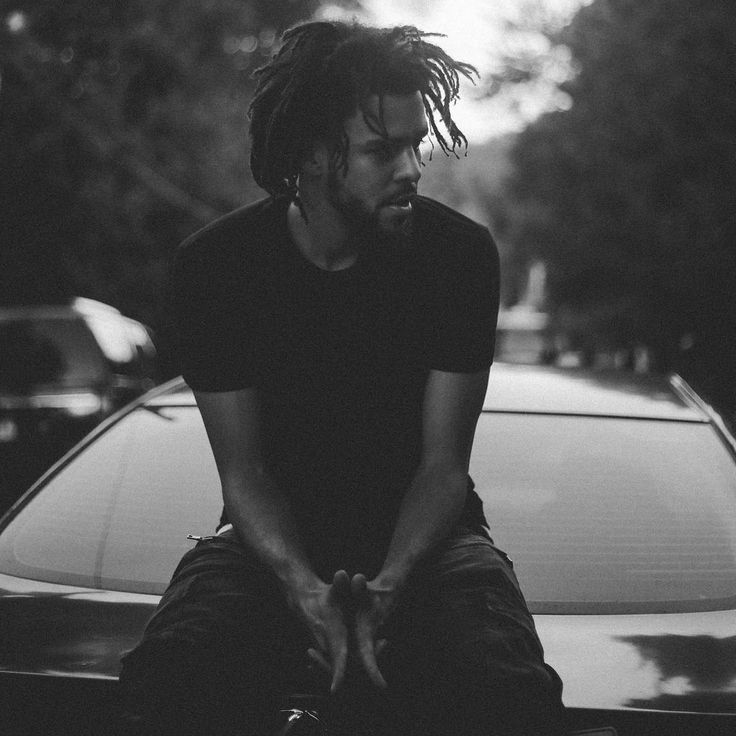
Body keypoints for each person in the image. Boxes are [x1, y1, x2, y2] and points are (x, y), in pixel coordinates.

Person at [119, 20, 565, 736]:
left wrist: (388, 588)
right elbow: (246, 476)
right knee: (174, 672)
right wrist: (301, 588)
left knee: (502, 684)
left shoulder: (458, 258)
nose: (413, 168)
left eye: (416, 143)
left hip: (435, 540)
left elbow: (444, 469)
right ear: (313, 155)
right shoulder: (218, 269)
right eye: (384, 149)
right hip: (270, 540)